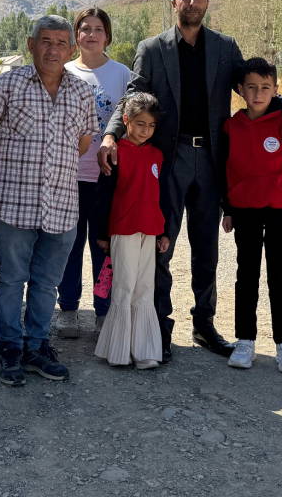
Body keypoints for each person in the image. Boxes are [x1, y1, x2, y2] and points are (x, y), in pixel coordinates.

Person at [100, 0, 282, 363]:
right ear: (174, 2)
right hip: (169, 157)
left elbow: (253, 84)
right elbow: (132, 96)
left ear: (208, 2)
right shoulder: (152, 48)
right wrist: (111, 136)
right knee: (163, 243)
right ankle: (159, 325)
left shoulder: (225, 48)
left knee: (206, 247)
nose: (192, 2)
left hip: (211, 160)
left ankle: (204, 324)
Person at [0, 15, 97, 387]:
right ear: (31, 45)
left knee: (47, 283)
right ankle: (10, 347)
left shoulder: (81, 92)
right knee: (12, 279)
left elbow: (83, 142)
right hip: (14, 203)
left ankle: (37, 346)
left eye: (61, 43)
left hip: (62, 204)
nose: (52, 49)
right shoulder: (6, 84)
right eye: (45, 41)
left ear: (71, 49)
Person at [217, 58, 282, 374]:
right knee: (246, 275)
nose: (258, 94)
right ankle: (245, 341)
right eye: (252, 88)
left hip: (280, 209)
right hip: (244, 210)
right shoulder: (231, 127)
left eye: (266, 88)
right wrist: (227, 208)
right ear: (241, 90)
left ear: (275, 90)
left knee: (279, 276)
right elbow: (224, 171)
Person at [55, 7, 131, 338]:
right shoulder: (63, 72)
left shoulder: (122, 74)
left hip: (107, 177)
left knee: (103, 246)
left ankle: (103, 311)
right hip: (69, 175)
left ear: (108, 36)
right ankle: (68, 309)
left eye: (98, 28)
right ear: (76, 36)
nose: (91, 34)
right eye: (85, 28)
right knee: (68, 246)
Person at [92, 93, 170, 369]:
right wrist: (102, 234)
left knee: (145, 289)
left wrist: (164, 233)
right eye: (139, 124)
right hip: (122, 230)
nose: (145, 130)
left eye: (150, 125)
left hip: (149, 231)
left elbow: (162, 197)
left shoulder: (157, 155)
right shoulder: (115, 154)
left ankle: (145, 349)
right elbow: (103, 196)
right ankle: (119, 351)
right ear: (125, 120)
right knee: (123, 287)